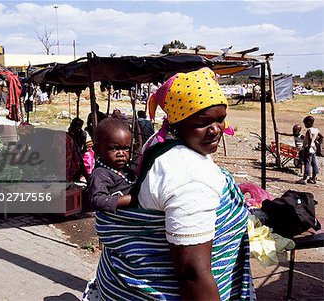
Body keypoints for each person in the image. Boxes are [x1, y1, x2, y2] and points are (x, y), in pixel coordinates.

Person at [84, 68, 253, 300]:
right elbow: (193, 273)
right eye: (202, 122)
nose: (216, 130)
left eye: (220, 119)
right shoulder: (189, 174)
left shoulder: (161, 143)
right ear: (179, 122)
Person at [88, 118, 136, 212]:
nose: (121, 154)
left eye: (126, 148)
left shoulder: (125, 170)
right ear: (97, 149)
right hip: (116, 223)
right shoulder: (100, 174)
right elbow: (98, 200)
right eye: (114, 149)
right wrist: (131, 199)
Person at [297, 116, 322, 184]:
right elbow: (321, 136)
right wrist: (318, 142)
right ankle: (313, 178)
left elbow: (310, 138)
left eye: (305, 124)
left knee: (307, 163)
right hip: (313, 148)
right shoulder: (316, 130)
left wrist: (309, 145)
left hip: (308, 148)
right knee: (314, 163)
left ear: (308, 123)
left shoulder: (309, 130)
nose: (305, 125)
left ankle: (305, 178)